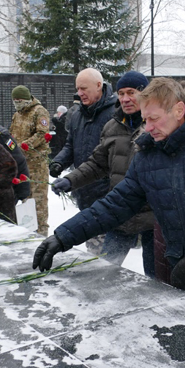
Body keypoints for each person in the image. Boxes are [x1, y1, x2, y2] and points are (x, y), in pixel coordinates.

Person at [33, 78, 185, 321]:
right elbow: (115, 204)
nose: (147, 128)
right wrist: (64, 236)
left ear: (179, 110)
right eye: (144, 120)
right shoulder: (147, 158)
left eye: (154, 119)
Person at [51, 71, 155, 276]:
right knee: (104, 272)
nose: (125, 99)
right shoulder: (113, 126)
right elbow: (97, 164)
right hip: (122, 213)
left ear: (145, 94)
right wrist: (70, 180)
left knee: (157, 279)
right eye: (121, 93)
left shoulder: (156, 126)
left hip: (153, 219)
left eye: (131, 92)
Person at [50, 68, 118, 253]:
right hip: (85, 191)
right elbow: (70, 146)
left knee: (104, 257)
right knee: (93, 247)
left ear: (99, 86)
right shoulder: (77, 115)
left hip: (106, 193)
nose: (79, 93)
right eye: (78, 89)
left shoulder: (116, 113)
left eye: (84, 88)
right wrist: (59, 162)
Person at [10, 85, 51, 236]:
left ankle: (41, 234)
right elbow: (12, 134)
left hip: (36, 166)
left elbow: (42, 133)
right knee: (25, 202)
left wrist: (24, 147)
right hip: (21, 165)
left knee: (38, 203)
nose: (17, 103)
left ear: (26, 99)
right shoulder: (17, 115)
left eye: (19, 100)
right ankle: (28, 231)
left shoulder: (39, 111)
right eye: (15, 101)